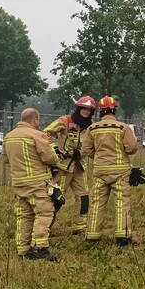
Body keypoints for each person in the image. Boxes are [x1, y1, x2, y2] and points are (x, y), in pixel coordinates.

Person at [3, 108, 63, 261]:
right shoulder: (37, 135)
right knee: (45, 212)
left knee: (24, 215)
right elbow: (50, 158)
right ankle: (40, 248)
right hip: (37, 182)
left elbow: (6, 159)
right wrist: (56, 156)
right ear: (35, 119)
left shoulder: (8, 137)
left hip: (18, 182)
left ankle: (23, 249)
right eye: (38, 120)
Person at [80, 96, 139, 245]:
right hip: (120, 171)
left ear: (100, 111)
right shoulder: (123, 127)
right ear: (114, 110)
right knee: (122, 202)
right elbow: (132, 148)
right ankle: (123, 235)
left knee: (97, 203)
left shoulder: (92, 128)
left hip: (100, 170)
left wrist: (99, 157)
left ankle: (92, 235)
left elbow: (85, 150)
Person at [43, 95, 96, 234]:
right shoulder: (65, 120)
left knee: (84, 197)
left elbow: (92, 148)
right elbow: (45, 133)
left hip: (79, 168)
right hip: (62, 167)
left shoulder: (91, 127)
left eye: (89, 110)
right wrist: (54, 149)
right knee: (56, 197)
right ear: (78, 108)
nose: (86, 111)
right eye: (84, 108)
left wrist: (81, 153)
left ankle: (80, 227)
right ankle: (44, 228)